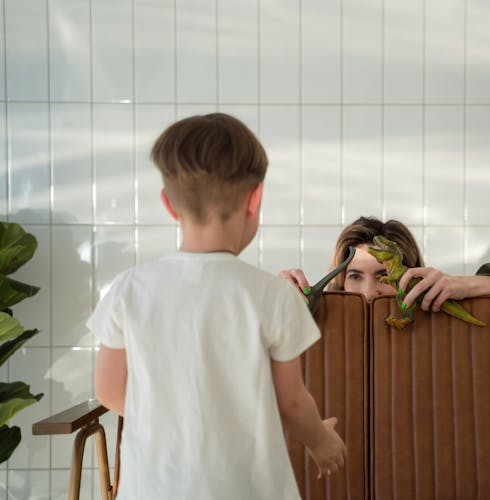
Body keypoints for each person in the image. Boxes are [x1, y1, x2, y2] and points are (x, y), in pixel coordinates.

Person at [89, 113, 346, 499]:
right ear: (254, 199)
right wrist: (321, 441)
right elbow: (291, 401)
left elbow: (109, 389)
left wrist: (182, 421)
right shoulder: (271, 295)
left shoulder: (130, 290)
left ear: (169, 205)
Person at [280, 216, 490, 312]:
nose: (369, 293)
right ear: (340, 279)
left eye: (383, 277)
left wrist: (472, 284)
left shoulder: (436, 313)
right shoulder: (315, 319)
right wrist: (268, 299)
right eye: (355, 276)